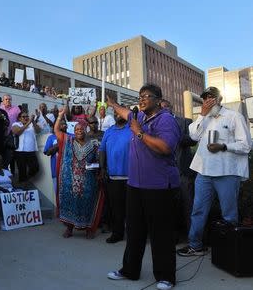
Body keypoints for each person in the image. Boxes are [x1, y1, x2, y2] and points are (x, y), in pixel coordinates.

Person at [106, 84, 180, 290]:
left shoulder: (166, 119)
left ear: (158, 99)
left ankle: (166, 276)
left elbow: (165, 147)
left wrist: (139, 133)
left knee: (160, 233)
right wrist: (113, 103)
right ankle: (130, 270)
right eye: (140, 96)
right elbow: (126, 112)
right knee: (135, 231)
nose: (142, 99)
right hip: (135, 185)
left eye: (147, 96)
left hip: (158, 186)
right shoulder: (139, 117)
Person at [177, 87, 251, 257]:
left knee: (229, 213)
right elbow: (194, 136)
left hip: (227, 172)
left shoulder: (234, 117)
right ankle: (195, 245)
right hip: (204, 172)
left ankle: (229, 250)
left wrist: (224, 146)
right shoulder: (204, 118)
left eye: (212, 97)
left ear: (220, 99)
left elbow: (246, 145)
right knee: (198, 210)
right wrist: (202, 114)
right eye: (205, 98)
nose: (208, 100)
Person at [54, 108, 103, 239]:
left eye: (81, 129)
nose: (79, 131)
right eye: (76, 130)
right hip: (70, 180)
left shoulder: (94, 144)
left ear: (85, 130)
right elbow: (57, 131)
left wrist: (97, 170)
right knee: (70, 202)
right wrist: (60, 116)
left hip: (88, 180)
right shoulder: (68, 141)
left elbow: (99, 160)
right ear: (74, 132)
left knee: (88, 202)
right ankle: (69, 229)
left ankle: (88, 229)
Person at [160, 99, 197, 236]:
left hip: (183, 173)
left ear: (172, 107)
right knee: (169, 208)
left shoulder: (185, 121)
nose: (164, 109)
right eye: (161, 107)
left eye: (166, 107)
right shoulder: (158, 124)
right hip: (164, 173)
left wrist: (176, 135)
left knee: (188, 205)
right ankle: (173, 236)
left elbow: (194, 140)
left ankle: (192, 238)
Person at [99, 109, 130, 243]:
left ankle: (134, 236)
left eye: (121, 113)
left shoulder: (132, 128)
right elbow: (102, 150)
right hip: (113, 178)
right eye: (116, 113)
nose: (118, 115)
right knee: (116, 209)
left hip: (132, 178)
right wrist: (102, 168)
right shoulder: (109, 131)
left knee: (132, 210)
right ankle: (117, 234)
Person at [12, 111, 41, 183]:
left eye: (27, 116)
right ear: (19, 118)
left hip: (31, 151)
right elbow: (17, 132)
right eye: (23, 117)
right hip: (20, 151)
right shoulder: (16, 124)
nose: (26, 118)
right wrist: (29, 122)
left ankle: (26, 180)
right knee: (22, 170)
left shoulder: (32, 125)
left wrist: (33, 121)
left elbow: (38, 131)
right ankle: (22, 184)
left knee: (35, 168)